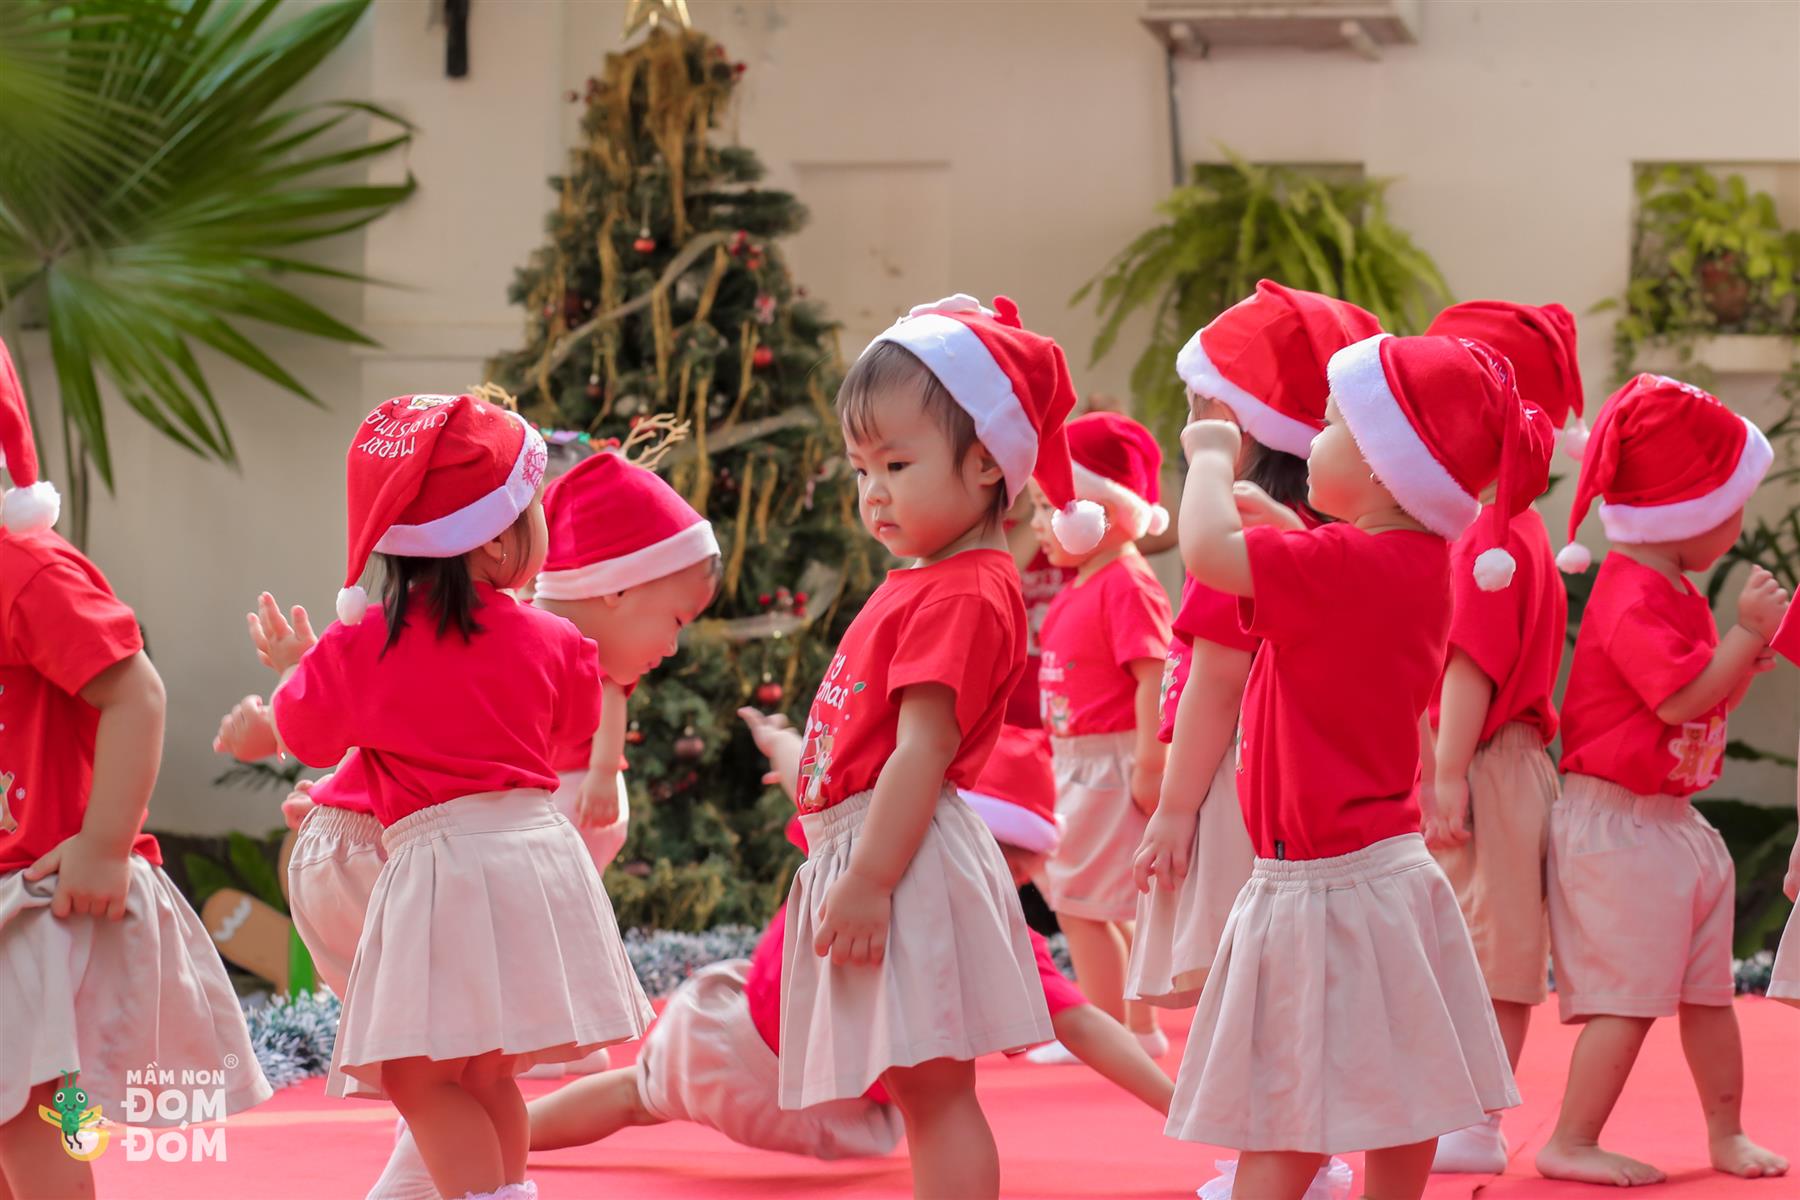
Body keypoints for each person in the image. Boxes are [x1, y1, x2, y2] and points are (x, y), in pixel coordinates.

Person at [1167, 333, 1542, 1200]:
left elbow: (1208, 553)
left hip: (1322, 884)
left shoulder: (1342, 567)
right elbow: (1332, 589)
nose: (1314, 437)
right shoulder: (1411, 563)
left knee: (1289, 1112)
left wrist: (1211, 455)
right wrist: (1285, 531)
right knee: (1405, 1090)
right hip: (1383, 876)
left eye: (1333, 422)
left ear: (1382, 464)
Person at [741, 293, 1099, 1199]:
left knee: (935, 1090)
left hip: (898, 854)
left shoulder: (963, 591)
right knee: (918, 1084)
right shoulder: (932, 579)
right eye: (862, 469)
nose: (874, 491)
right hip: (879, 844)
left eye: (897, 464)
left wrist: (868, 878)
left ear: (985, 463)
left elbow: (921, 751)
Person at [254, 392, 652, 1200]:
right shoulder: (555, 639)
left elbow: (306, 735)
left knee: (421, 1075)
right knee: (487, 1072)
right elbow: (574, 721)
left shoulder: (364, 644)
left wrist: (301, 666)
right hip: (538, 861)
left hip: (445, 872)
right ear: (498, 538)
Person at [0, 337, 269, 1199]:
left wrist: (104, 845)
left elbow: (136, 692)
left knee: (32, 1107)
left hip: (38, 891)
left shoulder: (25, 571)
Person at [1536, 373, 1790, 1187]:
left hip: (1670, 820)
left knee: (1709, 992)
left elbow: (1698, 697)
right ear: (1687, 511)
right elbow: (1679, 698)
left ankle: (1726, 1132)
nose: (1739, 522)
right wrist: (1744, 638)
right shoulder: (1630, 593)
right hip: (1619, 825)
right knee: (1628, 999)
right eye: (1732, 504)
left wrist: (1743, 654)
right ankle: (1570, 1139)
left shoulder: (1670, 587)